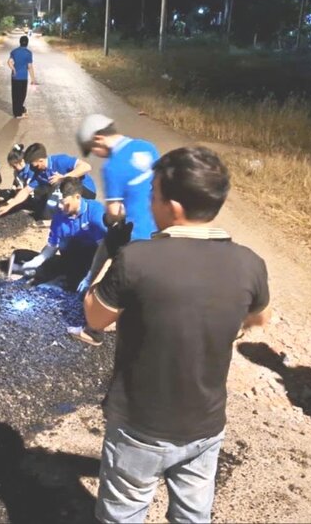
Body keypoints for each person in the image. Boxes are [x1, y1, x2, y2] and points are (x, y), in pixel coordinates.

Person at [83, 146, 271, 523]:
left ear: (174, 207)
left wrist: (110, 257)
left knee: (124, 512)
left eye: (153, 195)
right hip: (205, 424)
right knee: (192, 515)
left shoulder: (137, 259)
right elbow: (258, 319)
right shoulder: (250, 263)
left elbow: (95, 317)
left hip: (140, 424)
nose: (150, 203)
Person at [68, 114, 161, 345]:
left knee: (119, 280)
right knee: (110, 239)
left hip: (139, 235)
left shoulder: (113, 167)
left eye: (92, 149)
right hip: (161, 223)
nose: (95, 155)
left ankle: (93, 331)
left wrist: (109, 218)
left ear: (99, 139)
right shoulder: (146, 147)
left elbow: (114, 212)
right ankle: (89, 278)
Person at [19, 177, 107, 291]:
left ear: (77, 197)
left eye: (64, 202)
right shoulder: (59, 216)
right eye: (59, 201)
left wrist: (91, 276)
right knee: (61, 248)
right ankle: (68, 276)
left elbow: (104, 247)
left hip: (96, 256)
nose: (60, 206)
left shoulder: (95, 211)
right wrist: (37, 261)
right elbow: (53, 245)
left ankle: (73, 278)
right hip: (73, 257)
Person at [0, 144, 48, 220]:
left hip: (37, 194)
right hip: (27, 194)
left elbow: (30, 187)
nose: (14, 168)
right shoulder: (17, 172)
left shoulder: (32, 170)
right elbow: (18, 183)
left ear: (22, 161)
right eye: (12, 167)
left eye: (15, 166)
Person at [7, 35, 36, 118]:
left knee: (15, 95)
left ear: (20, 42)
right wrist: (33, 79)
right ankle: (19, 113)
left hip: (15, 77)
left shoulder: (14, 52)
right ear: (27, 43)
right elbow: (30, 66)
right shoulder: (28, 53)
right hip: (23, 77)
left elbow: (9, 62)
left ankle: (18, 111)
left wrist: (13, 69)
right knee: (22, 95)